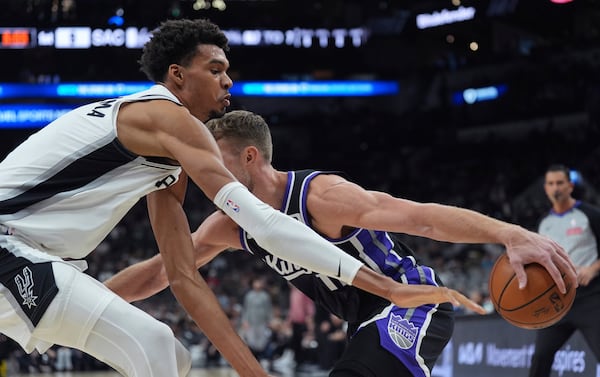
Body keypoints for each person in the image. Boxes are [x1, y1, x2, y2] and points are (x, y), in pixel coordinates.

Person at [0, 18, 485, 377]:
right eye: (216, 69)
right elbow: (263, 221)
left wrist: (253, 372)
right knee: (151, 346)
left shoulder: (166, 164)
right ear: (177, 76)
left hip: (32, 253)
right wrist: (389, 289)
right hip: (8, 244)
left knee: (169, 355)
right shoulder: (166, 116)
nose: (228, 81)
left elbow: (184, 279)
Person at [105, 110, 578, 377]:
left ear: (250, 157)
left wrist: (510, 233)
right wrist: (75, 296)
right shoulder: (229, 225)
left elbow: (423, 219)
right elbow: (162, 271)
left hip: (413, 305)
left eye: (214, 161)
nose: (204, 175)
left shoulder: (321, 196)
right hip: (362, 323)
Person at [528, 164, 600, 377]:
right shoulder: (543, 223)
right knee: (540, 357)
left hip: (591, 298)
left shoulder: (590, 214)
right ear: (545, 188)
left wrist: (593, 269)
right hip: (557, 301)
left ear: (570, 186)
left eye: (560, 182)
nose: (555, 187)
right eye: (551, 183)